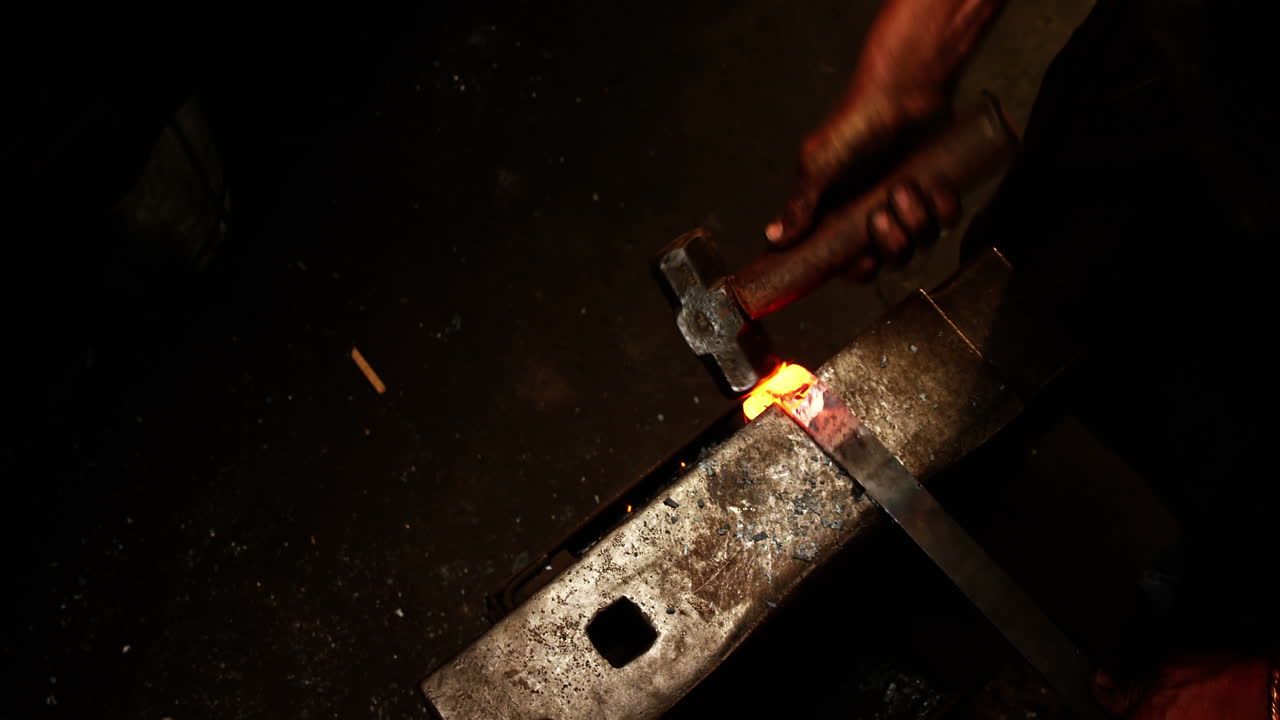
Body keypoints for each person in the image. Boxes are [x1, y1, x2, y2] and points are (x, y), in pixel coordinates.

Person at [767, 0, 1280, 717]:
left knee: (1234, 557)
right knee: (1010, 329)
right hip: (1156, 99)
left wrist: (1270, 693)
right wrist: (914, 63)